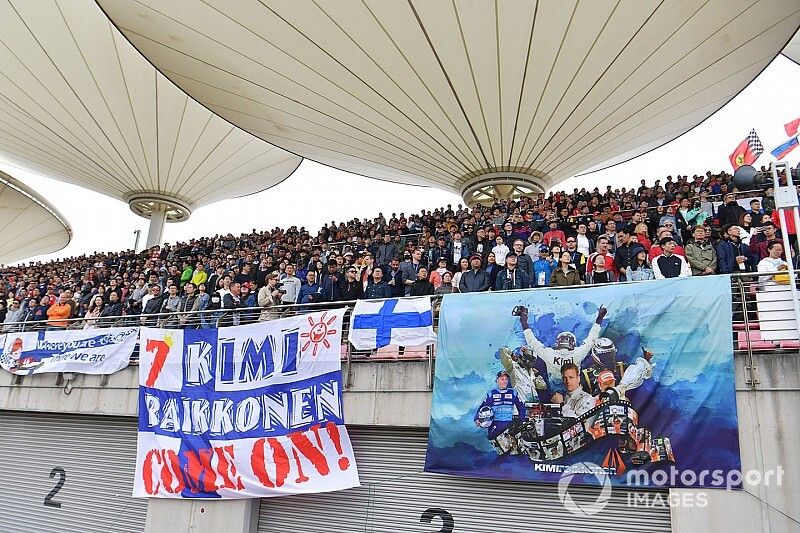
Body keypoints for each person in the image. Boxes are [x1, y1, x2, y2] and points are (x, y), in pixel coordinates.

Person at [516, 305, 605, 384]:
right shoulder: (578, 354)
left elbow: (532, 342)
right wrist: (599, 318)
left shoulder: (549, 354)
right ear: (573, 343)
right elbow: (592, 338)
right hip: (574, 385)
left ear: (558, 343)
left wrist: (524, 322)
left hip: (554, 386)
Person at [474, 370, 526, 440]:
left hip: (510, 425)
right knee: (496, 445)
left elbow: (521, 407)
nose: (504, 381)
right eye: (502, 379)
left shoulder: (513, 392)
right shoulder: (491, 393)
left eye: (506, 379)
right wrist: (477, 419)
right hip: (495, 424)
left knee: (513, 448)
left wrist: (520, 420)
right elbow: (483, 407)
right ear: (497, 380)